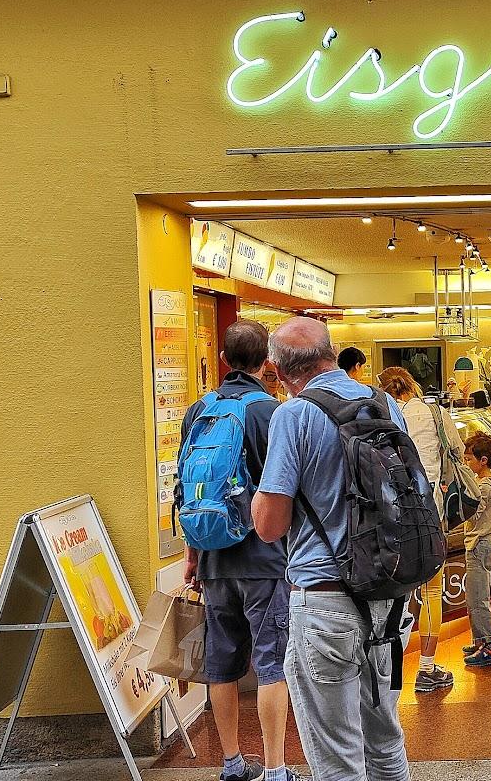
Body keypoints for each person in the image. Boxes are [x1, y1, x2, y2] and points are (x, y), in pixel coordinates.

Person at [252, 318, 411, 781]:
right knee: (385, 741)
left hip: (326, 603)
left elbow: (270, 526)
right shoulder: (385, 404)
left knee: (338, 759)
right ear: (333, 353)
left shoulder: (293, 416)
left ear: (279, 372)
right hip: (389, 596)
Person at [180, 319, 292, 781]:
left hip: (212, 558)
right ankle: (275, 768)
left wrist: (193, 555)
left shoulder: (198, 410)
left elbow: (185, 488)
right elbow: (284, 487)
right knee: (271, 663)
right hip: (264, 557)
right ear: (267, 362)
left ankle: (231, 763)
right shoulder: (271, 412)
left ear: (224, 360)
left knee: (221, 665)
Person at [377, 365, 459, 693]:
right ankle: (426, 668)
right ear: (412, 385)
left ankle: (388, 673)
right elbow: (457, 452)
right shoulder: (435, 413)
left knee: (394, 596)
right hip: (430, 514)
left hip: (392, 517)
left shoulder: (382, 416)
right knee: (431, 593)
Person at [460, 431, 491, 668]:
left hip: (480, 545)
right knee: (473, 598)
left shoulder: (484, 487)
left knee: (478, 600)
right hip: (480, 544)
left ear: (483, 460)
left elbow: (473, 515)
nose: (466, 463)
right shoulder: (483, 483)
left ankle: (490, 646)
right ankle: (480, 640)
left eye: (469, 459)